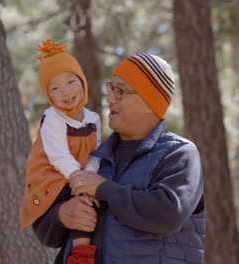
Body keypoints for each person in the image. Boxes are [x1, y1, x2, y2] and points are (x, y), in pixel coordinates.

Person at [33, 52, 206, 264]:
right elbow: (45, 231)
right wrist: (61, 215)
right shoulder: (92, 158)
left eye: (120, 91)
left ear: (149, 101)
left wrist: (103, 189)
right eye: (111, 88)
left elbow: (167, 214)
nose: (110, 98)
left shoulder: (179, 154)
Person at [20, 39, 101, 264]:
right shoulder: (53, 119)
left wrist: (89, 174)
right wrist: (79, 178)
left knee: (90, 200)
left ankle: (81, 252)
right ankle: (80, 256)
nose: (65, 92)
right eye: (54, 88)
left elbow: (96, 152)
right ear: (49, 96)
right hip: (52, 178)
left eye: (70, 81)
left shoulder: (93, 119)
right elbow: (58, 156)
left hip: (78, 176)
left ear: (82, 81)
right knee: (81, 200)